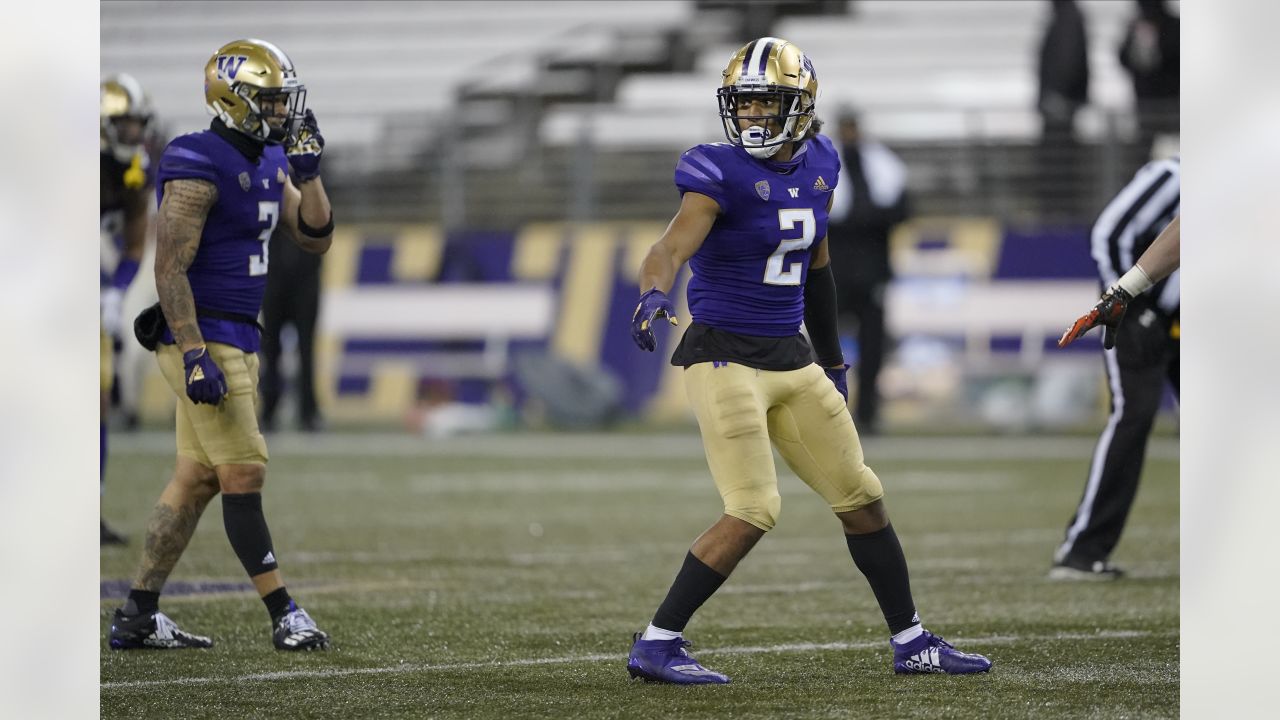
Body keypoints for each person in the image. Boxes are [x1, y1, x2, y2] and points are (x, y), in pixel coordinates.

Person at [625, 37, 992, 684]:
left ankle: (912, 642)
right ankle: (656, 642)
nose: (754, 118)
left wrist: (835, 362)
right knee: (754, 508)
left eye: (768, 103)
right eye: (745, 104)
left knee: (863, 497)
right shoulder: (716, 171)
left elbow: (817, 270)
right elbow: (669, 246)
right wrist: (654, 292)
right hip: (723, 358)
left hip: (791, 359)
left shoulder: (823, 160)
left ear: (801, 107)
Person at [108, 38, 335, 651]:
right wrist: (192, 350)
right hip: (202, 335)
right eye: (269, 100)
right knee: (243, 470)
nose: (282, 112)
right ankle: (285, 612)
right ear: (233, 100)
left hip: (237, 334)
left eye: (283, 100)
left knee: (197, 478)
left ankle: (137, 612)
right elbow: (169, 268)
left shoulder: (268, 159)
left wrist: (308, 174)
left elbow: (314, 235)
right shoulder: (196, 158)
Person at [1050, 157, 1179, 580]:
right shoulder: (1172, 176)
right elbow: (1110, 233)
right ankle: (1082, 551)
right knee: (1134, 413)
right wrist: (1123, 297)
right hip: (1143, 312)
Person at [826, 110, 909, 433]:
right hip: (832, 273)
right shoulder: (827, 163)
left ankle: (869, 414)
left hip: (871, 272)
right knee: (827, 345)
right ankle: (828, 411)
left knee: (872, 347)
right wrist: (869, 217)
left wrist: (860, 217)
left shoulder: (880, 165)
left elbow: (901, 210)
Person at [100, 73, 155, 545]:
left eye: (138, 123)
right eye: (125, 124)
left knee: (96, 399)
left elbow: (136, 241)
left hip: (94, 277)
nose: (134, 133)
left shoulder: (134, 165)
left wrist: (114, 290)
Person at [259, 222, 324, 433]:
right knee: (270, 350)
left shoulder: (313, 189)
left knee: (306, 351)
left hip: (306, 281)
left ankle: (308, 411)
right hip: (274, 278)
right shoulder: (270, 189)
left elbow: (323, 227)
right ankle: (269, 409)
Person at [1035, 0, 1090, 218]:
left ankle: (1059, 215)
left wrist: (1058, 95)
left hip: (1059, 106)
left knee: (1058, 166)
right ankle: (1059, 213)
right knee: (1058, 166)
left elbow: (1068, 58)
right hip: (1060, 103)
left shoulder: (1068, 17)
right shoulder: (1066, 15)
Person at [1119, 0, 1179, 155]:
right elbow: (1123, 57)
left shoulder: (1173, 26)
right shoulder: (1136, 26)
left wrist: (1156, 45)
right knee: (1145, 152)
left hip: (1170, 102)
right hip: (1146, 102)